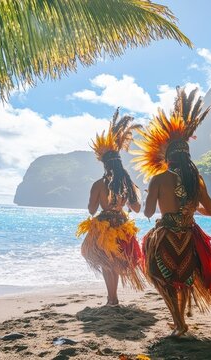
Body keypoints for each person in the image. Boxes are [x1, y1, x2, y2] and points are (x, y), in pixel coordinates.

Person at [133, 87, 211, 337]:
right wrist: (191, 209)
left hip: (166, 235)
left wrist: (150, 194)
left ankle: (179, 323)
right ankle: (181, 322)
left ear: (168, 157)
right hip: (190, 235)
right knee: (184, 280)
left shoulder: (159, 178)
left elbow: (148, 212)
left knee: (163, 280)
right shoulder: (196, 178)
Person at [76, 109, 144, 306]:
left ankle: (111, 298)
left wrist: (96, 201)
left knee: (107, 264)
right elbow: (137, 208)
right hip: (122, 225)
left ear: (105, 166)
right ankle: (112, 298)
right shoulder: (127, 184)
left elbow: (91, 209)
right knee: (114, 264)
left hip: (104, 226)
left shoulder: (98, 184)